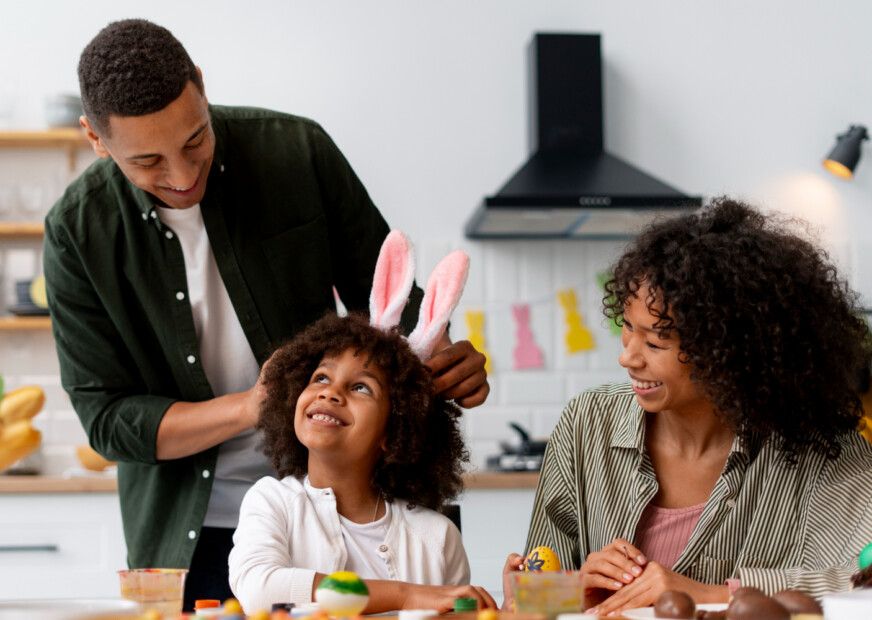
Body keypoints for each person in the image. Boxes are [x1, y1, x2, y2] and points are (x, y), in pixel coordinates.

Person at [43, 19, 488, 610]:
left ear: (200, 85)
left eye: (195, 140)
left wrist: (437, 361)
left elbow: (394, 307)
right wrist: (253, 406)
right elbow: (109, 421)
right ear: (96, 140)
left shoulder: (296, 152)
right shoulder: (77, 231)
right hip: (192, 541)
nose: (181, 176)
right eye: (148, 161)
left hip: (365, 513)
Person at [504, 198, 872, 615]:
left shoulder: (822, 451)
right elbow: (527, 601)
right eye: (627, 328)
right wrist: (569, 588)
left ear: (729, 352)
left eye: (656, 342)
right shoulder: (588, 423)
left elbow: (862, 583)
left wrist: (713, 592)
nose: (628, 357)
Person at [229, 312, 496, 613]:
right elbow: (261, 591)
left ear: (394, 431)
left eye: (361, 388)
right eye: (321, 378)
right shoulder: (272, 502)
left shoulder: (438, 537)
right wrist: (404, 596)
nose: (331, 392)